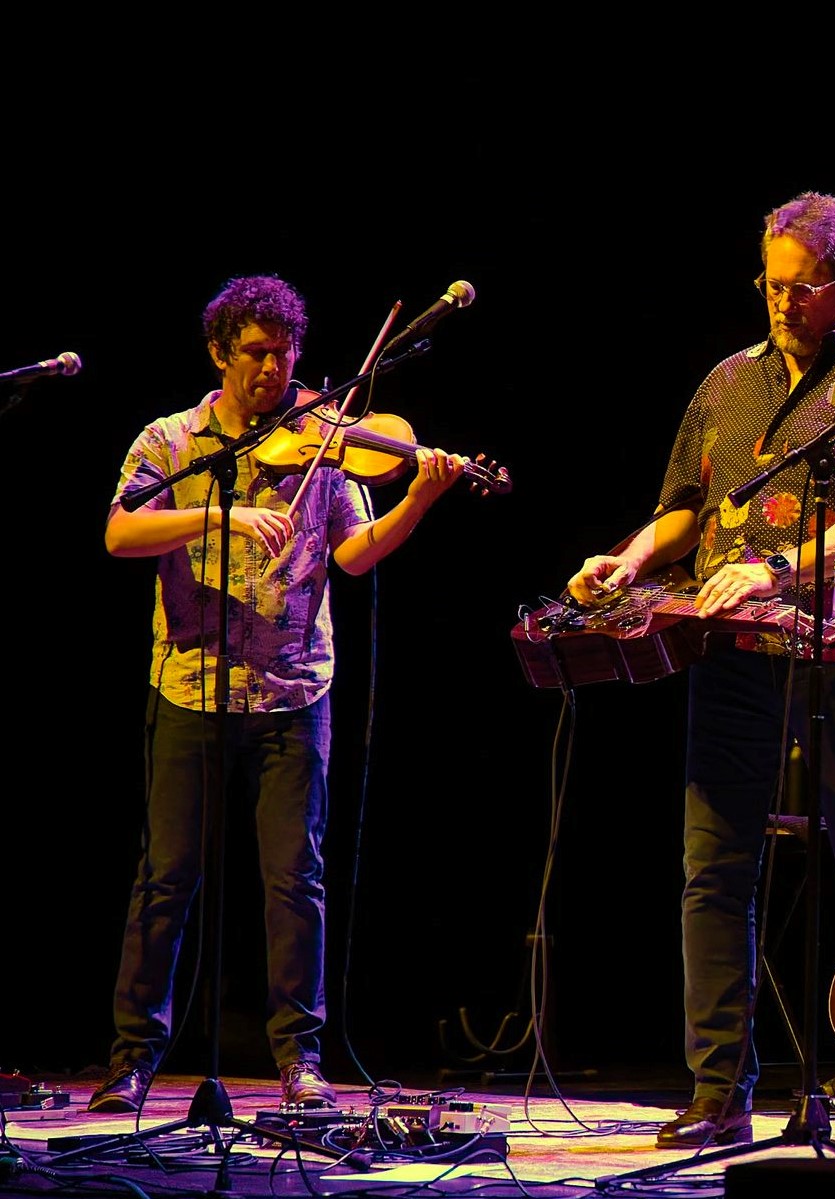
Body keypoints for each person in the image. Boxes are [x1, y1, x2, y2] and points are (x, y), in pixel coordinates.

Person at [564, 191, 835, 1148]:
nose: (780, 303)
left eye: (800, 288)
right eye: (770, 284)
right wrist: (632, 558)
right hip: (732, 657)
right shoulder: (727, 382)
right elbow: (688, 506)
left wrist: (778, 567)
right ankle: (719, 1091)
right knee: (713, 869)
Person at [89, 274, 467, 1114]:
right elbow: (118, 529)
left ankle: (300, 1059)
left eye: (286, 352)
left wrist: (420, 495)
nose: (276, 369)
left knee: (296, 879)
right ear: (220, 354)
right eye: (256, 354)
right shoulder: (173, 438)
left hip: (295, 690)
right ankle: (132, 1058)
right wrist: (213, 519)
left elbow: (357, 553)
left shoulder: (322, 438)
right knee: (165, 877)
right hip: (189, 686)